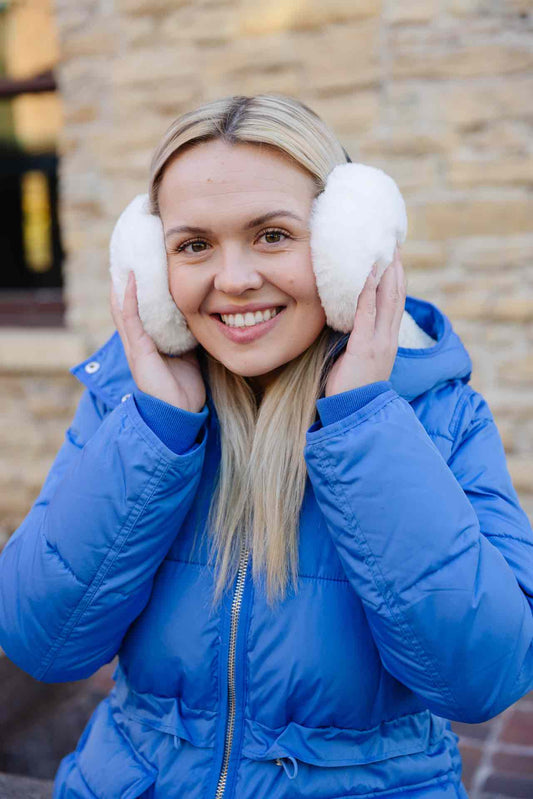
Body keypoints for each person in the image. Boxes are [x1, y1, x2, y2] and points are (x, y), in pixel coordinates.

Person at [1, 94, 532, 799]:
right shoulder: (127, 410)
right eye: (194, 245)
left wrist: (362, 425)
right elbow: (43, 640)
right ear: (155, 272)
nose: (233, 278)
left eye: (272, 235)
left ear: (347, 246)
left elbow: (482, 678)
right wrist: (155, 431)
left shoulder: (437, 415)